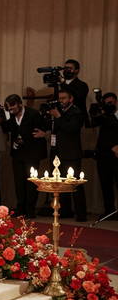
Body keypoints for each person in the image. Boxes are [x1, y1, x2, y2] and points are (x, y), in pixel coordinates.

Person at [40, 88, 87, 221]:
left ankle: (81, 214)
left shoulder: (76, 112)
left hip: (71, 153)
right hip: (57, 152)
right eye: (59, 98)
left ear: (71, 99)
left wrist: (58, 117)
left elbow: (71, 128)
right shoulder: (58, 111)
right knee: (60, 183)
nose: (61, 101)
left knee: (75, 183)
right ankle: (66, 210)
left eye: (64, 98)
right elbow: (52, 128)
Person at [2, 94, 48, 219]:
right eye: (8, 108)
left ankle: (30, 209)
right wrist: (6, 116)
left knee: (31, 182)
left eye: (13, 107)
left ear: (20, 104)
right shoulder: (11, 116)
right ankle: (20, 208)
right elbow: (6, 128)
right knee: (19, 182)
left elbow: (43, 129)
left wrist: (40, 135)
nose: (11, 110)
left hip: (32, 153)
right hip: (17, 153)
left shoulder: (33, 114)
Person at [88, 92, 118, 220]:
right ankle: (109, 211)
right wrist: (95, 112)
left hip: (117, 156)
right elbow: (92, 123)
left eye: (111, 103)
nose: (109, 105)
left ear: (116, 102)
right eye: (106, 104)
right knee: (106, 185)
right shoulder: (104, 116)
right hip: (104, 156)